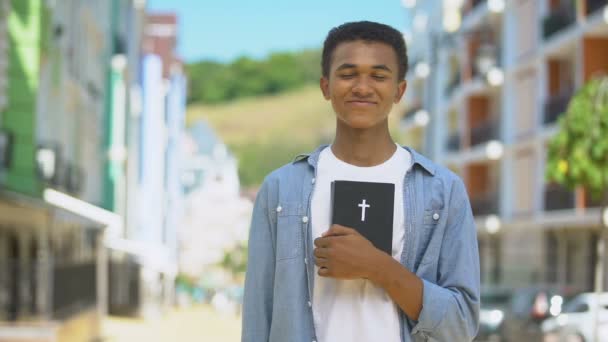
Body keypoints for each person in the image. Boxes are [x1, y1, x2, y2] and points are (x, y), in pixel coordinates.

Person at [241, 21, 480, 342]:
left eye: (379, 76)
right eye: (348, 74)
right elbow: (258, 317)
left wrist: (378, 266)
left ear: (399, 90)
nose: (363, 87)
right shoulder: (281, 189)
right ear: (325, 86)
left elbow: (461, 324)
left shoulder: (444, 191)